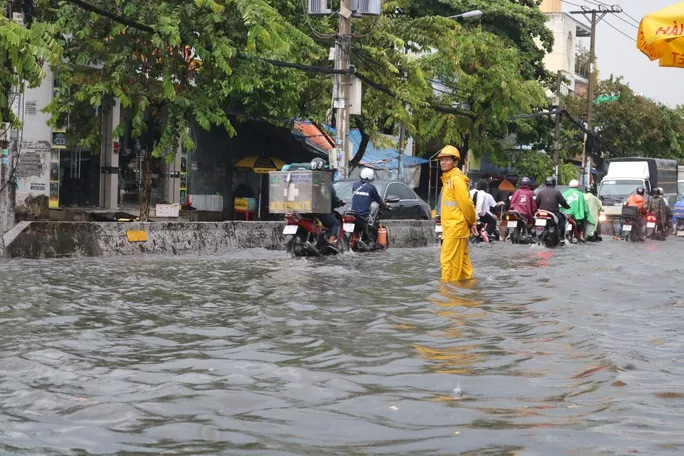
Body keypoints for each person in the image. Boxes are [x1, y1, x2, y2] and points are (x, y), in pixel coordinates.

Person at [438, 145, 476, 281]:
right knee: (463, 267)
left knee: (448, 263)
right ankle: (469, 290)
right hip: (453, 229)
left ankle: (448, 296)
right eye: (442, 160)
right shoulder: (448, 180)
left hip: (455, 229)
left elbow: (467, 204)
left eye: (447, 160)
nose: (443, 162)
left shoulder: (456, 179)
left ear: (455, 162)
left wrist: (472, 222)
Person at [351, 167, 389, 238]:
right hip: (363, 214)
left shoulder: (355, 185)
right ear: (371, 177)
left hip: (353, 213)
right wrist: (385, 204)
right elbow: (378, 200)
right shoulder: (371, 187)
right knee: (370, 227)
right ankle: (367, 239)